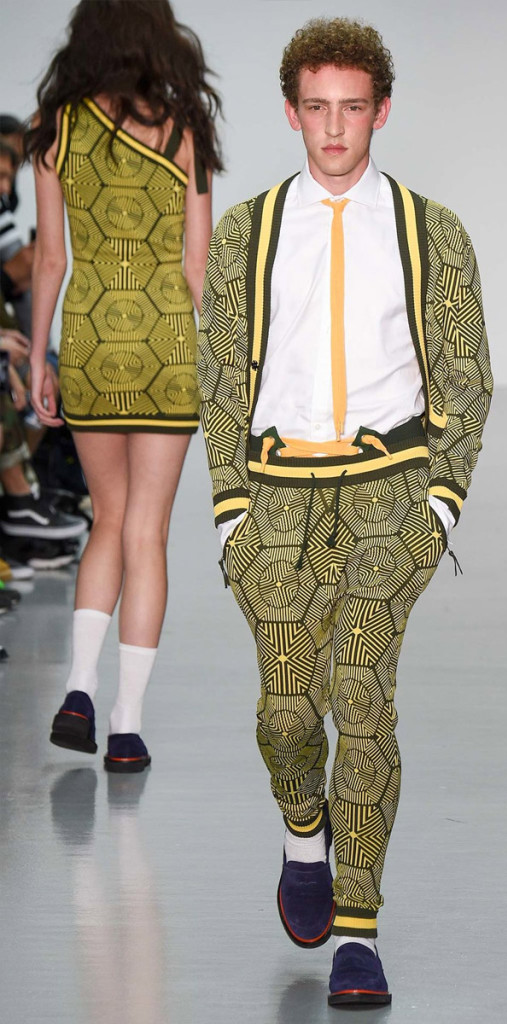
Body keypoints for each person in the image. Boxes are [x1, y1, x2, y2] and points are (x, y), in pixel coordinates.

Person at [198, 16, 493, 1008]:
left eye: (352, 108)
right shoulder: (244, 231)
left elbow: (466, 374)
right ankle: (301, 834)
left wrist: (438, 507)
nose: (333, 128)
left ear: (381, 111)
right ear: (291, 112)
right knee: (286, 711)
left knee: (360, 694)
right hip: (273, 500)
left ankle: (357, 933)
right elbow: (218, 378)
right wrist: (229, 511)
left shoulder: (430, 229)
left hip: (386, 496)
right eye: (316, 108)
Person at [27, 0, 221, 772]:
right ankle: (127, 725)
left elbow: (50, 258)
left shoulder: (55, 129)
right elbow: (198, 267)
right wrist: (230, 359)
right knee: (147, 532)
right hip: (165, 347)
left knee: (104, 520)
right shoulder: (184, 130)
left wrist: (37, 360)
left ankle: (77, 688)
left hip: (91, 339)